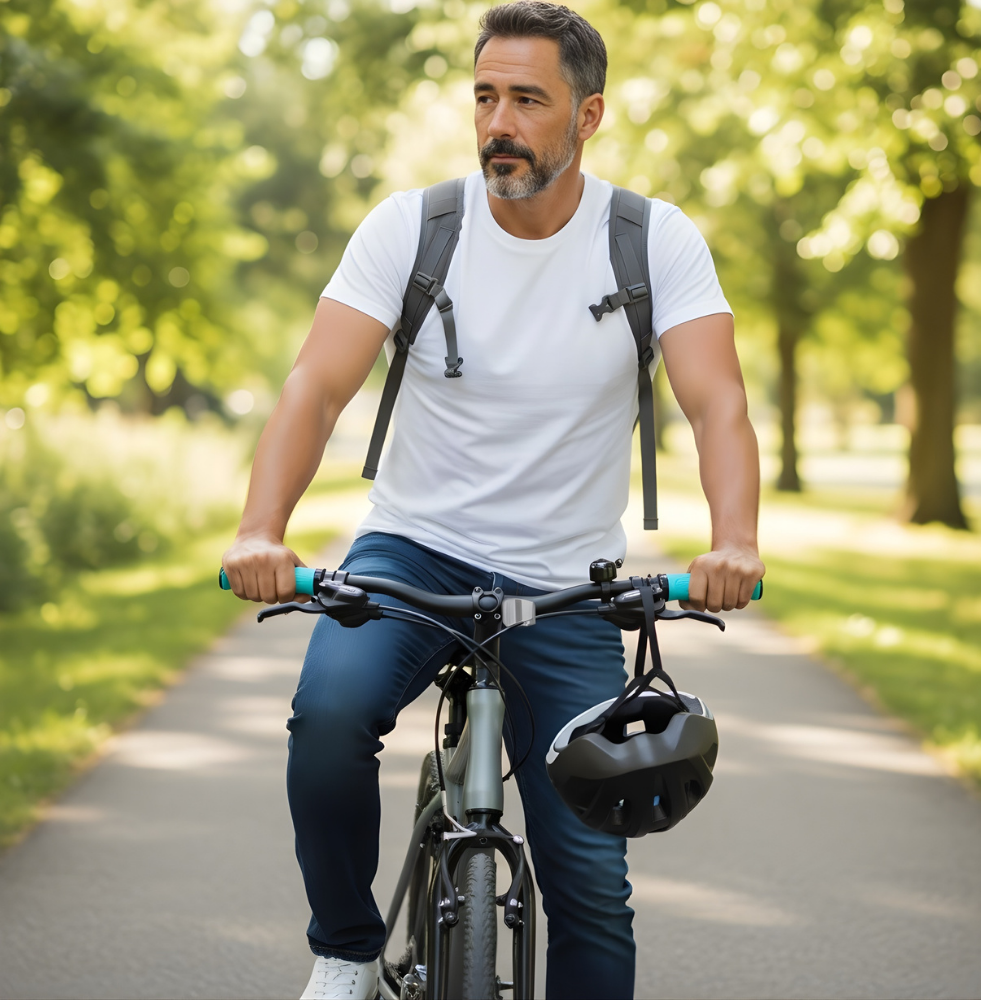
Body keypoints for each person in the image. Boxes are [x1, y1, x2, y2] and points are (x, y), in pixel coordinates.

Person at [222, 2, 764, 997]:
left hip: (567, 581)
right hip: (413, 548)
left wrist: (734, 541)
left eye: (526, 98)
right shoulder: (413, 228)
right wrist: (263, 529)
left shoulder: (652, 241)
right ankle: (345, 949)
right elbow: (315, 387)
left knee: (593, 885)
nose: (497, 122)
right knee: (328, 716)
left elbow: (716, 402)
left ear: (587, 116)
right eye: (483, 96)